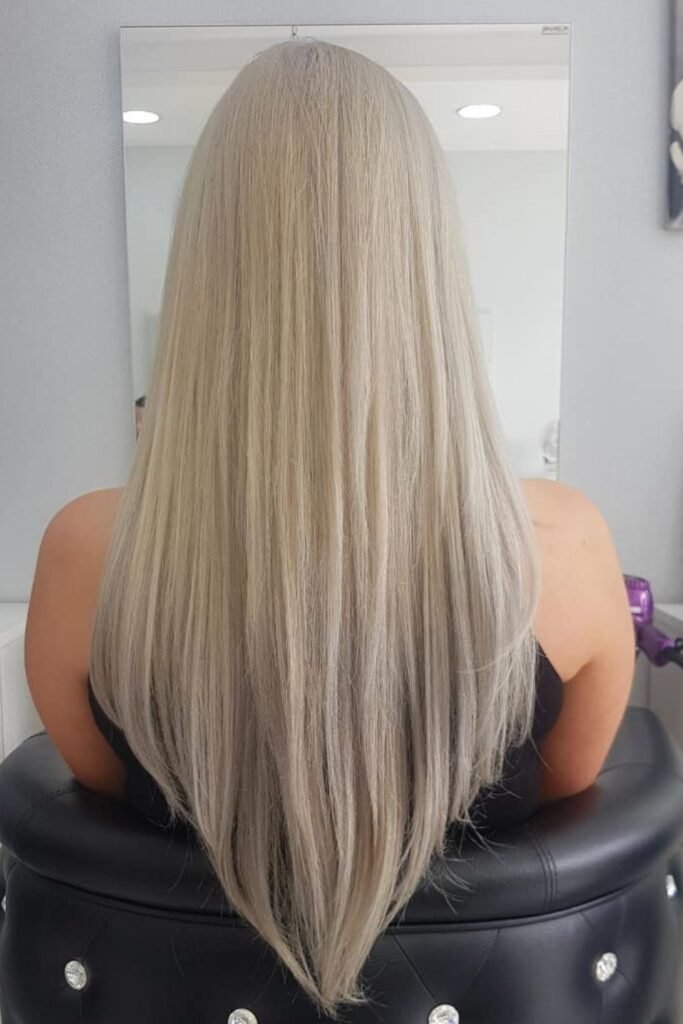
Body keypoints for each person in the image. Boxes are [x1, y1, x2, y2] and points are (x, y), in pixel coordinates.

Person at [23, 39, 635, 1019]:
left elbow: (116, 812)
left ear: (202, 265)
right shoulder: (560, 547)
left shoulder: (84, 558)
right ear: (425, 265)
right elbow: (560, 804)